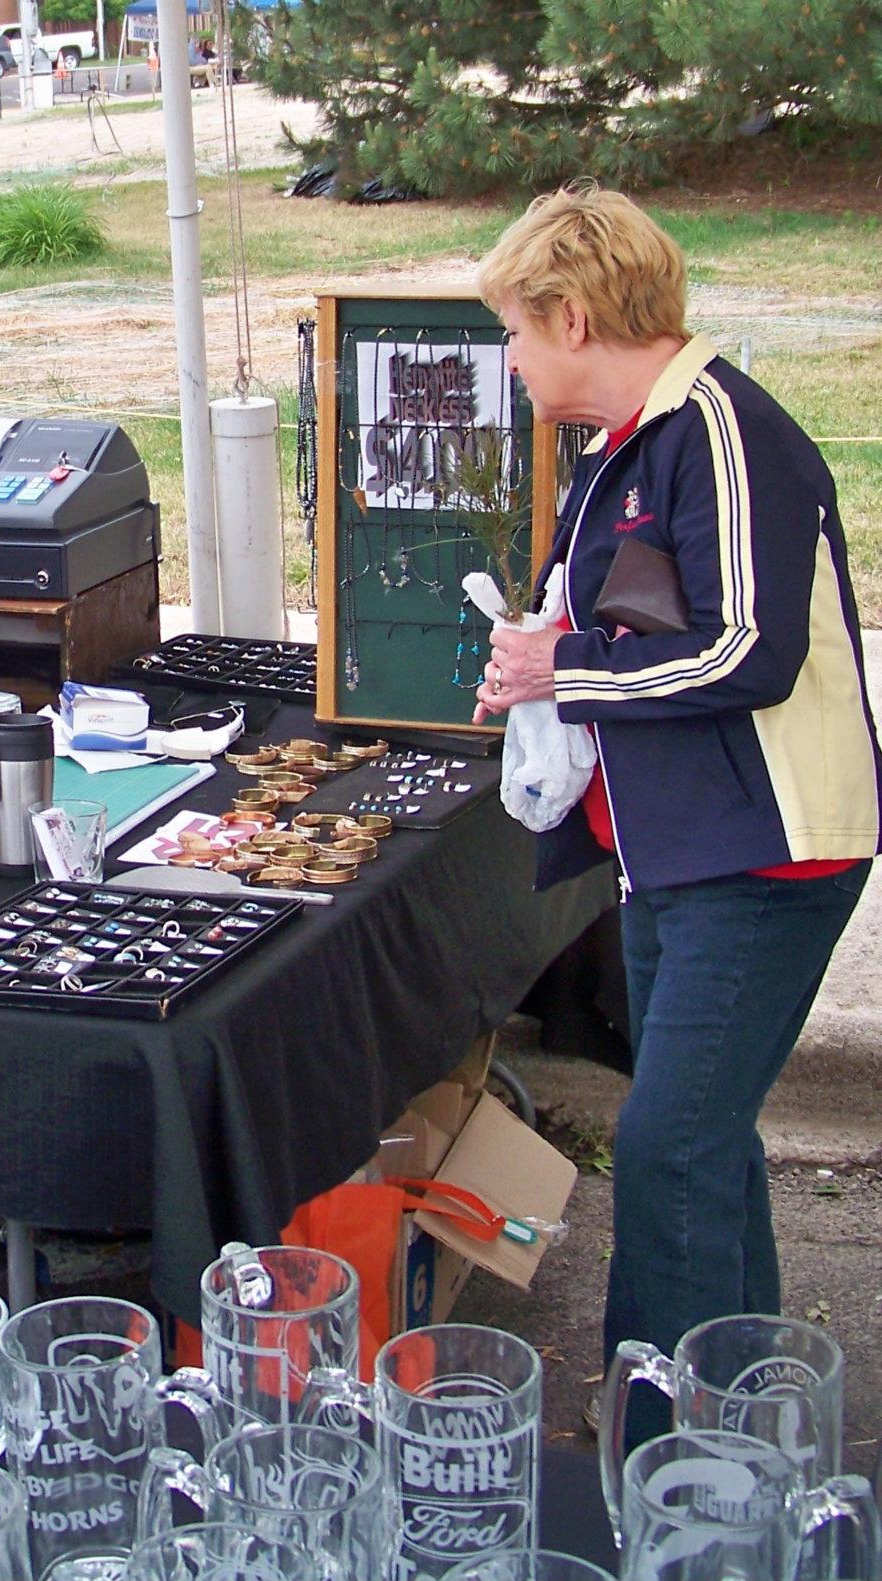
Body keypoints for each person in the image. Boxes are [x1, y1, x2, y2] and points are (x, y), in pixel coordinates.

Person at [472, 184, 880, 1450]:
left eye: (516, 332)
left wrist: (564, 671)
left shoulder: (719, 431)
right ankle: (746, 1410)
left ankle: (669, 1451)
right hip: (677, 849)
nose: (510, 358)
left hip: (767, 847)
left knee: (666, 1147)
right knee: (698, 1137)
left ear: (575, 315)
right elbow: (640, 621)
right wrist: (548, 647)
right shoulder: (625, 444)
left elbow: (751, 653)